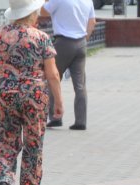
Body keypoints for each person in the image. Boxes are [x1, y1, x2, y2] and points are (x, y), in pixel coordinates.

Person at [0, 0, 63, 185]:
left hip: (4, 96)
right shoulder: (41, 37)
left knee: (7, 142)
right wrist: (58, 102)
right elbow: (52, 74)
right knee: (33, 145)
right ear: (33, 13)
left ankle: (3, 180)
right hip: (34, 99)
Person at [41, 0, 96, 131]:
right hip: (81, 42)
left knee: (54, 78)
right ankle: (80, 121)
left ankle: (55, 117)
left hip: (63, 42)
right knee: (80, 84)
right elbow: (92, 22)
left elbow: (42, 12)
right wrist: (84, 40)